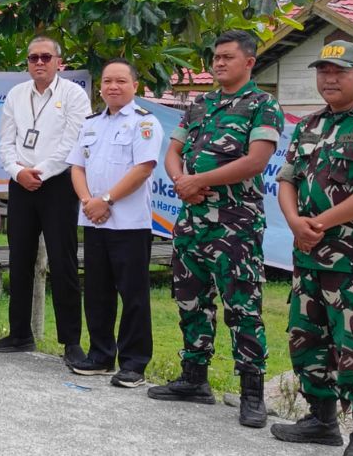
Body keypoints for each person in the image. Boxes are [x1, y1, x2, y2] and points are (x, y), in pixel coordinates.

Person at [147, 30, 284, 429]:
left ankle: (252, 393)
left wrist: (199, 182)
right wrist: (179, 181)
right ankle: (194, 379)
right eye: (215, 58)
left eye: (227, 57)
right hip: (191, 222)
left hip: (235, 225)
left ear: (249, 62)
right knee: (190, 300)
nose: (219, 63)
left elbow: (256, 161)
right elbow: (173, 150)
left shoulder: (262, 106)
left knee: (242, 307)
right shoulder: (199, 105)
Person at [270, 41, 353, 455]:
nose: (329, 78)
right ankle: (321, 421)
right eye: (323, 70)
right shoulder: (309, 125)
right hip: (307, 255)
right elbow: (287, 178)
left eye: (339, 71)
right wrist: (294, 222)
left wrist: (319, 223)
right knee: (306, 338)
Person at [0, 37, 92, 366]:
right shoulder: (16, 95)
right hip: (21, 183)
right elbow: (6, 141)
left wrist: (42, 172)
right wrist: (18, 172)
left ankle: (71, 342)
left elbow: (73, 143)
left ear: (58, 62)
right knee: (19, 258)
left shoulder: (74, 95)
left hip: (59, 184)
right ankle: (20, 332)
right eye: (33, 57)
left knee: (63, 263)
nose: (39, 62)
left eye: (46, 57)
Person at [66, 58, 163, 387]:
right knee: (96, 292)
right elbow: (77, 167)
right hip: (94, 222)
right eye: (108, 81)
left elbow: (143, 169)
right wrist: (88, 202)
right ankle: (100, 355)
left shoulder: (143, 123)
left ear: (135, 86)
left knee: (133, 295)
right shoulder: (91, 123)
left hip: (129, 225)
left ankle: (134, 363)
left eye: (121, 81)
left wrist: (105, 200)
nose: (113, 86)